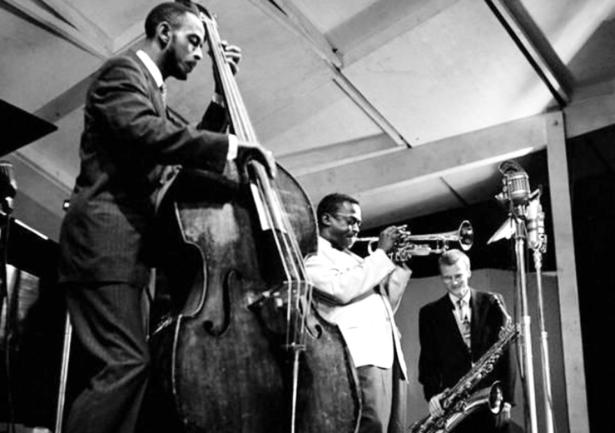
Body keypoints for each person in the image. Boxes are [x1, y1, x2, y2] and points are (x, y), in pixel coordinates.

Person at [57, 2, 275, 433]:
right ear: (163, 34)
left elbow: (174, 162)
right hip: (105, 243)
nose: (199, 52)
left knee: (125, 372)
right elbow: (148, 134)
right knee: (126, 365)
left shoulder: (151, 92)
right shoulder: (121, 74)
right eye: (193, 41)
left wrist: (219, 97)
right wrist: (231, 148)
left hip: (128, 252)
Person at [304, 193, 412, 433]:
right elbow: (341, 291)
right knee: (370, 426)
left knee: (394, 428)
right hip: (361, 358)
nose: (356, 229)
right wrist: (381, 255)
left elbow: (383, 309)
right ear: (326, 219)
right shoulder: (312, 257)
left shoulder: (355, 258)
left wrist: (396, 264)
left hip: (386, 356)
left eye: (358, 224)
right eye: (350, 221)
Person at [417, 249, 516, 433]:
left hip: (492, 401)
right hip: (455, 407)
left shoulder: (493, 302)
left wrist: (507, 401)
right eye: (447, 278)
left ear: (469, 272)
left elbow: (507, 354)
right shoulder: (429, 314)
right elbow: (427, 364)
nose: (454, 283)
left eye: (458, 276)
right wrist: (433, 396)